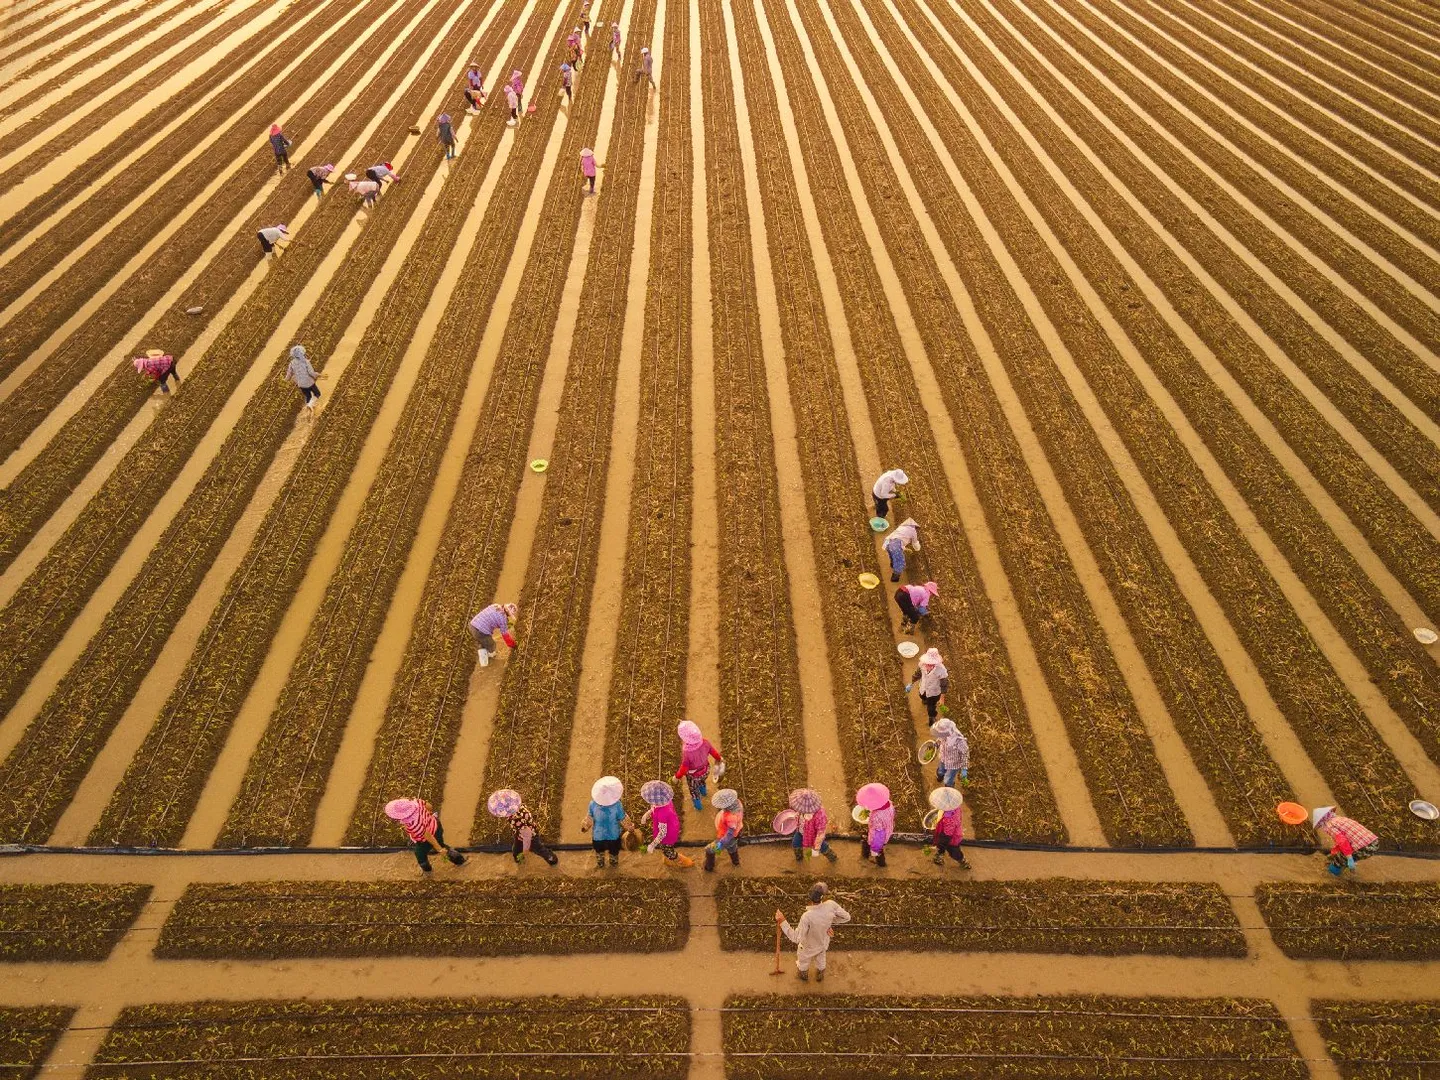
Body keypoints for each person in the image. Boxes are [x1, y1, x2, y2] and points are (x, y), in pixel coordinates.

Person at [775, 882, 851, 982]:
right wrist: (829, 923)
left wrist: (782, 921)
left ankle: (804, 977)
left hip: (807, 947)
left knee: (803, 964)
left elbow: (796, 938)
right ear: (822, 897)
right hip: (822, 943)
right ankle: (819, 977)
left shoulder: (807, 916)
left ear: (810, 898)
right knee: (821, 962)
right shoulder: (831, 905)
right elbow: (847, 917)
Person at [385, 797, 466, 873]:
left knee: (420, 854)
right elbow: (429, 806)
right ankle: (460, 861)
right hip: (436, 824)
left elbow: (428, 836)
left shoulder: (414, 825)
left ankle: (427, 871)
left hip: (427, 838)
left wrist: (439, 849)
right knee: (440, 843)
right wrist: (428, 815)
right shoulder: (416, 802)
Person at [487, 789, 559, 865]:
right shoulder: (517, 806)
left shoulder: (517, 821)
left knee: (539, 849)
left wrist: (525, 851)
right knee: (516, 850)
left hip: (531, 836)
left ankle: (551, 858)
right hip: (520, 834)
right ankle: (518, 859)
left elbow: (527, 837)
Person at [1312, 806, 1379, 876]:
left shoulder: (1329, 825)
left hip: (1364, 847)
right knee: (1342, 856)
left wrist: (1349, 858)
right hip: (1374, 842)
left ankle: (1332, 874)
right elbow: (1348, 837)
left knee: (1339, 860)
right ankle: (1348, 869)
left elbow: (1342, 841)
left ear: (1321, 822)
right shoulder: (1340, 819)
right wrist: (1336, 850)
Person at [639, 780, 693, 867]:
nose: (650, 802)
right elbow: (654, 808)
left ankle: (681, 860)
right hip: (670, 825)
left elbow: (662, 833)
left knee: (668, 850)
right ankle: (669, 858)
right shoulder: (664, 801)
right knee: (665, 848)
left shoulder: (663, 812)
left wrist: (653, 844)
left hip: (668, 835)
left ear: (656, 800)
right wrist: (647, 814)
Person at [582, 776, 631, 868]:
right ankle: (613, 869)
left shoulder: (592, 804)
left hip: (598, 836)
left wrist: (585, 828)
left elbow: (588, 820)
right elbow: (623, 819)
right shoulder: (617, 805)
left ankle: (601, 867)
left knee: (600, 855)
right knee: (614, 855)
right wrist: (630, 828)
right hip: (613, 835)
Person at [674, 720, 723, 810]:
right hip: (705, 771)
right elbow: (714, 753)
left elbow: (684, 768)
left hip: (693, 776)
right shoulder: (705, 743)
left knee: (694, 792)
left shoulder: (687, 753)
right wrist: (719, 759)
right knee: (702, 782)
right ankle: (704, 793)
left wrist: (677, 777)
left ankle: (698, 807)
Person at [789, 789, 838, 863]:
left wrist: (816, 847)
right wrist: (796, 816)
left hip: (814, 836)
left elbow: (821, 833)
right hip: (801, 832)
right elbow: (799, 814)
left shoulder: (820, 815)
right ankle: (799, 858)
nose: (803, 810)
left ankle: (833, 858)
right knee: (795, 843)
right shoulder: (801, 808)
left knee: (823, 847)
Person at [857, 782, 894, 867]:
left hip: (879, 838)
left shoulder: (876, 817)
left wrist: (875, 849)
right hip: (888, 828)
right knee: (866, 839)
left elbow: (879, 835)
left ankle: (881, 864)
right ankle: (866, 854)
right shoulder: (889, 804)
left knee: (878, 852)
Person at [469, 602, 518, 666]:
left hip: (472, 625)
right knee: (491, 644)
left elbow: (492, 618)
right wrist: (513, 645)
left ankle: (483, 655)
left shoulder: (495, 606)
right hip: (481, 632)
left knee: (482, 641)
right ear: (508, 614)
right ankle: (490, 656)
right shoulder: (503, 619)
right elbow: (505, 636)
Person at [705, 788, 743, 872]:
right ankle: (736, 862)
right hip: (738, 830)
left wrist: (720, 843)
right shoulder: (738, 803)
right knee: (732, 848)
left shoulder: (730, 817)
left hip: (727, 837)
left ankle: (709, 867)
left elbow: (729, 834)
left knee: (709, 851)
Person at [931, 790, 970, 869]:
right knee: (941, 846)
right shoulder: (956, 807)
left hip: (952, 839)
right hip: (952, 832)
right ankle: (939, 855)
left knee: (953, 851)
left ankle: (963, 861)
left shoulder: (949, 819)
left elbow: (947, 835)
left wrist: (942, 842)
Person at [907, 647, 948, 720]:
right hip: (923, 687)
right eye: (927, 663)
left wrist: (942, 699)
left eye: (931, 664)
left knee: (931, 707)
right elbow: (918, 674)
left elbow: (944, 685)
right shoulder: (922, 665)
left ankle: (932, 717)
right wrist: (911, 683)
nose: (928, 665)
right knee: (922, 695)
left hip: (934, 692)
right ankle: (924, 699)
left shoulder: (941, 670)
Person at [930, 717, 968, 787]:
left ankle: (949, 787)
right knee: (940, 771)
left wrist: (964, 768)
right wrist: (935, 745)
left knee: (948, 779)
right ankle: (940, 776)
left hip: (953, 764)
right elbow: (940, 739)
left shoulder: (959, 741)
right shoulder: (944, 735)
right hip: (943, 758)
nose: (940, 735)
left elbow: (965, 754)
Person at [883, 517, 920, 581]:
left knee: (892, 555)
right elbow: (915, 543)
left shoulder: (902, 527)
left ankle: (892, 564)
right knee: (900, 563)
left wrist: (904, 548)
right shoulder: (913, 531)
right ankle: (894, 578)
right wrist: (917, 549)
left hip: (888, 542)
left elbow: (899, 538)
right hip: (896, 545)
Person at [285, 344, 321, 409]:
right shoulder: (306, 362)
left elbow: (289, 374)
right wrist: (317, 375)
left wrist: (286, 379)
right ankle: (310, 405)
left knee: (308, 396)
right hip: (309, 382)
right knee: (317, 393)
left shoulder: (292, 363)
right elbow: (311, 372)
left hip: (301, 384)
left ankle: (308, 408)